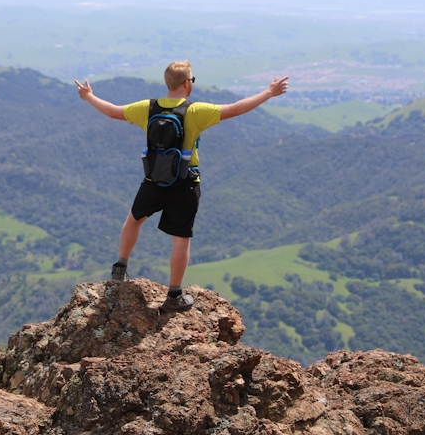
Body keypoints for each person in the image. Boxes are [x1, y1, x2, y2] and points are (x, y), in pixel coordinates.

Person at [75, 60, 289, 311]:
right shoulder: (195, 111)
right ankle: (174, 296)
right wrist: (269, 92)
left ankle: (120, 268)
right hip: (185, 181)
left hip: (154, 178)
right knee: (180, 238)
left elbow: (112, 111)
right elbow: (235, 109)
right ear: (187, 83)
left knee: (134, 219)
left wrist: (89, 96)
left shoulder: (148, 107)